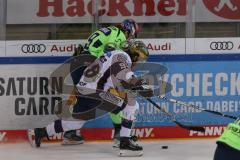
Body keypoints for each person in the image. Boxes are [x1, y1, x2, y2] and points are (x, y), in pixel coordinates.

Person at [33, 40, 151, 157]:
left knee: (75, 122)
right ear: (134, 55)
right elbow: (128, 77)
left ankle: (41, 132)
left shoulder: (115, 53)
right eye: (139, 60)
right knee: (131, 105)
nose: (138, 63)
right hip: (95, 92)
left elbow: (116, 79)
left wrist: (133, 86)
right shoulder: (123, 57)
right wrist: (142, 83)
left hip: (84, 89)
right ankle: (125, 143)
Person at [63, 19, 140, 146]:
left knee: (82, 99)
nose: (130, 39)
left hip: (79, 63)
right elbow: (109, 51)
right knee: (111, 98)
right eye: (131, 35)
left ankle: (69, 132)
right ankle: (119, 133)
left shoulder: (109, 30)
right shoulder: (119, 34)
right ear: (128, 30)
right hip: (88, 66)